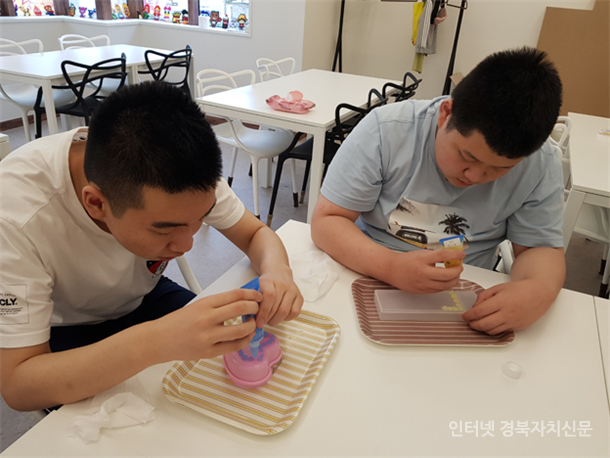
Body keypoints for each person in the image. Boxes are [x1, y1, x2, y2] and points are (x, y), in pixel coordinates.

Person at [0, 81, 303, 411]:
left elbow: (256, 234)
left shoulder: (185, 169)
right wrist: (154, 342)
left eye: (200, 219)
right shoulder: (15, 216)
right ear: (96, 203)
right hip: (63, 328)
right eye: (165, 229)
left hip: (141, 297)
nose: (186, 245)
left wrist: (277, 271)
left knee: (223, 382)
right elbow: (18, 386)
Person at [311, 47, 565, 336]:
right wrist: (390, 266)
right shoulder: (386, 131)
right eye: (467, 156)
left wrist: (537, 291)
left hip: (464, 293)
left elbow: (538, 248)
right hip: (365, 270)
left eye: (500, 169)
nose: (475, 177)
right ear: (446, 113)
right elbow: (328, 220)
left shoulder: (540, 163)